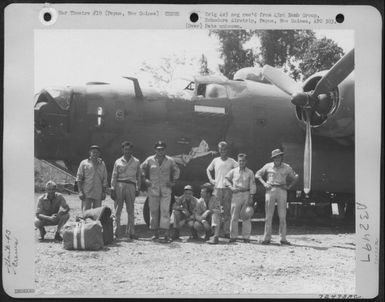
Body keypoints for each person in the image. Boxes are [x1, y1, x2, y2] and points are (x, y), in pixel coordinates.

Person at [255, 149, 299, 245]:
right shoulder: (268, 166)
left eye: (279, 156)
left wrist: (289, 186)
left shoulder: (287, 167)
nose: (278, 158)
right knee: (268, 215)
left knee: (282, 215)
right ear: (273, 158)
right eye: (276, 157)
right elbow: (257, 174)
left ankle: (283, 238)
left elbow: (295, 177)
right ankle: (266, 238)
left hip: (282, 191)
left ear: (281, 157)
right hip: (270, 190)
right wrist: (264, 184)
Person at [141, 141, 180, 242]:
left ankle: (165, 233)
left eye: (162, 149)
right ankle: (155, 233)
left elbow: (176, 170)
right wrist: (145, 179)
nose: (160, 151)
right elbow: (141, 169)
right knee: (153, 211)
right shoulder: (150, 160)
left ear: (165, 150)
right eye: (158, 149)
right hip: (153, 189)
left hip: (166, 189)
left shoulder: (170, 160)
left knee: (165, 211)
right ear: (155, 150)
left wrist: (173, 182)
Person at [206, 141, 238, 238]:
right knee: (216, 210)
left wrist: (233, 182)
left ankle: (226, 232)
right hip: (217, 188)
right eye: (221, 149)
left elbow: (238, 170)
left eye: (224, 149)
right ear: (219, 150)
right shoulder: (215, 160)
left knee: (227, 212)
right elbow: (208, 169)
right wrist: (211, 179)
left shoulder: (231, 161)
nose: (222, 151)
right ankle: (215, 231)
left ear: (227, 150)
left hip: (227, 189)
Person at [110, 141, 142, 239]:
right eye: (125, 149)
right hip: (119, 185)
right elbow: (114, 175)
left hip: (131, 185)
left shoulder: (136, 161)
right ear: (122, 150)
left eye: (129, 149)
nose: (127, 151)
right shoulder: (118, 161)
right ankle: (116, 232)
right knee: (117, 210)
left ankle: (131, 232)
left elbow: (139, 176)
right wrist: (112, 188)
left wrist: (138, 188)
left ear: (132, 150)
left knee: (131, 210)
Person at [76, 145, 108, 212]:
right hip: (86, 192)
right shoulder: (84, 163)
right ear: (90, 153)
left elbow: (105, 179)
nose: (95, 154)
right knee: (85, 213)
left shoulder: (102, 164)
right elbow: (79, 178)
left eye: (97, 152)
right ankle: (85, 222)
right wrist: (80, 192)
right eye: (93, 152)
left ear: (99, 154)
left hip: (98, 193)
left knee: (97, 213)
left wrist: (104, 192)